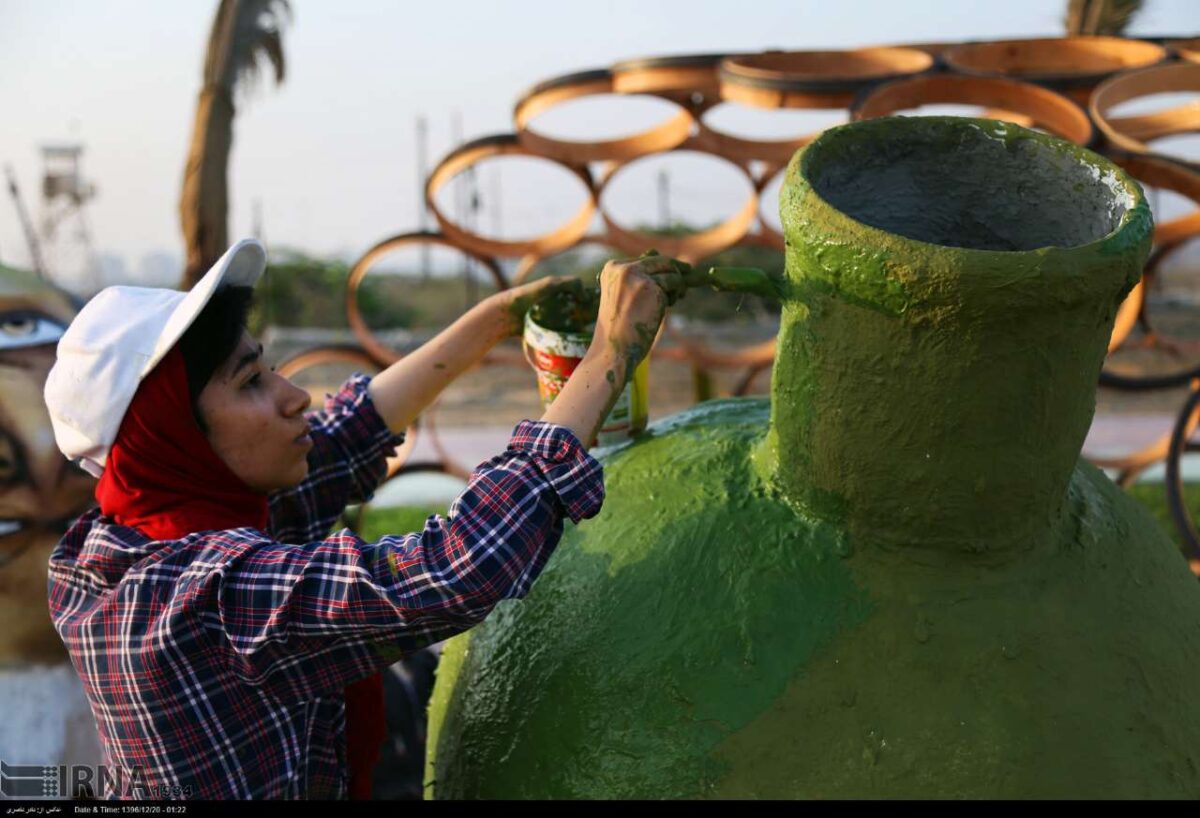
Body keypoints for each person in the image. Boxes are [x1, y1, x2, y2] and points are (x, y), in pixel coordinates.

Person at [42, 239, 682, 800]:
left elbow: (350, 436)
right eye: (250, 385)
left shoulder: (137, 532)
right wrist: (610, 354)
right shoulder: (189, 601)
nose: (295, 397)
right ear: (171, 438)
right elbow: (458, 568)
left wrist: (497, 317)